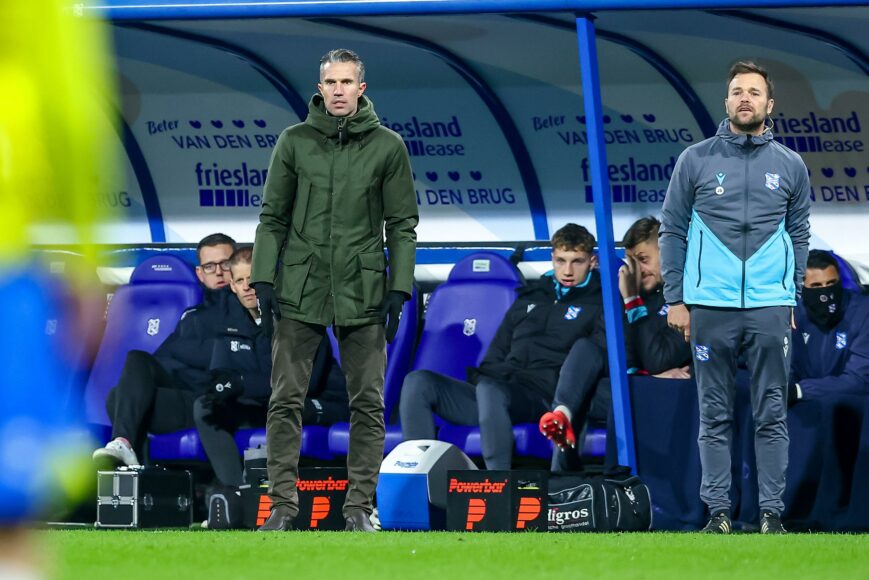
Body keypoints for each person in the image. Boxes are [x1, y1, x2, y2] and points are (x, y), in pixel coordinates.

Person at [251, 48, 418, 532]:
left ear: (361, 88)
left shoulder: (388, 146)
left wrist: (399, 290)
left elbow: (402, 225)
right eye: (332, 82)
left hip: (363, 290)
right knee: (285, 400)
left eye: (348, 82)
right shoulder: (293, 141)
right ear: (319, 88)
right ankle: (283, 508)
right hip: (299, 288)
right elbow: (272, 218)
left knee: (368, 403)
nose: (340, 90)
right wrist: (264, 278)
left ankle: (359, 510)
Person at [660, 61, 811, 534]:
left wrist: (791, 295)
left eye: (754, 91)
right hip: (710, 306)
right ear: (726, 102)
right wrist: (676, 298)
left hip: (769, 306)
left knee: (771, 412)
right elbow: (672, 230)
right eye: (736, 91)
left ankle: (771, 514)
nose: (744, 98)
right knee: (714, 414)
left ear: (769, 105)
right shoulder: (696, 159)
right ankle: (719, 514)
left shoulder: (790, 165)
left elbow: (800, 233)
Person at [400, 223, 605, 472]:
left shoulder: (599, 302)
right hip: (498, 393)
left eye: (577, 261)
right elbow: (494, 355)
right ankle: (417, 483)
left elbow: (590, 359)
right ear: (552, 258)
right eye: (561, 260)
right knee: (418, 382)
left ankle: (498, 485)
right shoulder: (531, 296)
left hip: (542, 398)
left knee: (490, 389)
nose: (568, 270)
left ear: (592, 261)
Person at [92, 246, 269, 467]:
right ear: (200, 272)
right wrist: (205, 357)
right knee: (127, 379)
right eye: (210, 266)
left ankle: (137, 473)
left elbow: (236, 362)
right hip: (188, 394)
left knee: (123, 399)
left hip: (219, 402)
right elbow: (170, 355)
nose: (219, 272)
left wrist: (202, 357)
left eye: (225, 264)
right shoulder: (195, 315)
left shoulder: (248, 309)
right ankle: (125, 447)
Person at [789, 250, 869, 403]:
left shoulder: (863, 312)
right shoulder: (793, 313)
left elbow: (859, 380)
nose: (825, 293)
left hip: (851, 407)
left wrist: (799, 391)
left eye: (831, 283)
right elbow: (783, 367)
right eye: (816, 286)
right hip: (801, 407)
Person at [619, 216, 692, 378]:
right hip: (644, 386)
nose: (638, 270)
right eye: (632, 263)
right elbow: (619, 357)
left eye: (643, 259)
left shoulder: (689, 294)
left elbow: (658, 361)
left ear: (666, 253)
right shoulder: (627, 295)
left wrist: (633, 303)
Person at [194, 233, 237, 300]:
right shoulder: (194, 310)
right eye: (209, 267)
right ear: (200, 274)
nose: (219, 272)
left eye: (226, 264)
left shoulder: (257, 307)